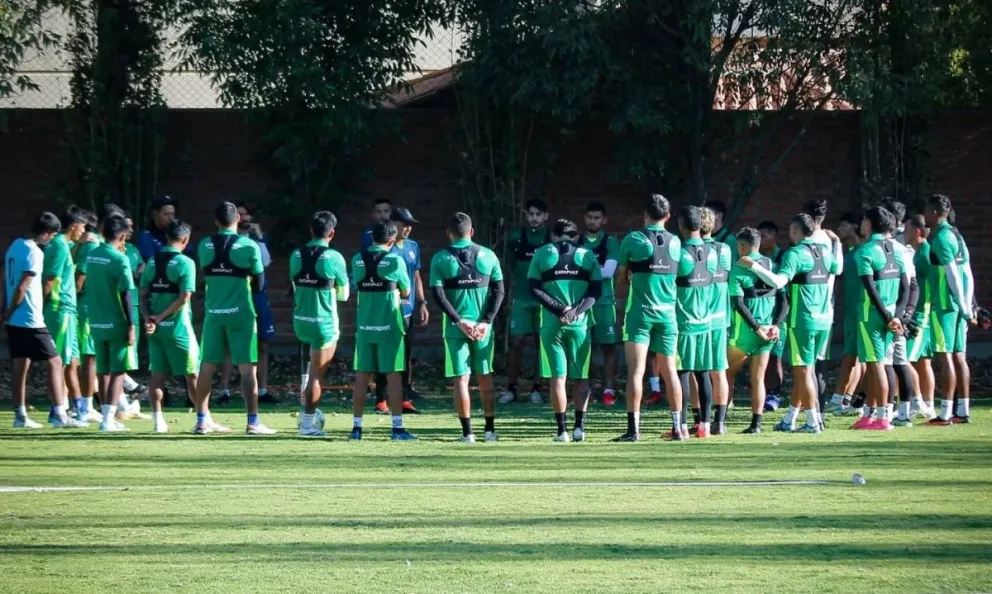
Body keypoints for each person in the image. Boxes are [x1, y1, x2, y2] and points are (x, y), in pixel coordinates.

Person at [741, 212, 842, 434]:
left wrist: (754, 267)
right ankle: (790, 418)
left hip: (803, 321)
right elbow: (839, 269)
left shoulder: (794, 254)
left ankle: (814, 422)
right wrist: (837, 244)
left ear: (796, 231)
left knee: (804, 371)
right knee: (805, 370)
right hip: (825, 319)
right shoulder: (824, 251)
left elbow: (777, 281)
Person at [193, 201, 274, 435]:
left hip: (214, 314)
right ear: (237, 219)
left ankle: (201, 420)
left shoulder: (205, 244)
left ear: (216, 221)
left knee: (207, 366)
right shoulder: (249, 246)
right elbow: (260, 284)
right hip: (241, 314)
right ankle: (252, 422)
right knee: (248, 369)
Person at [430, 213, 505, 442]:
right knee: (485, 377)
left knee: (461, 380)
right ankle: (490, 431)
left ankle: (467, 434)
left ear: (449, 234)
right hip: (483, 329)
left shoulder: (441, 258)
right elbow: (499, 291)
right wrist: (486, 321)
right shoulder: (489, 255)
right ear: (471, 232)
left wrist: (459, 321)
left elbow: (438, 294)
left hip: (455, 329)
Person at [614, 194, 683, 442]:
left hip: (640, 314)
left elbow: (621, 278)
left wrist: (634, 277)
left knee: (636, 372)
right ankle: (678, 428)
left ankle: (634, 431)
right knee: (671, 372)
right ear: (668, 217)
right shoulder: (676, 242)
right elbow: (680, 276)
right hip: (668, 315)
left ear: (645, 215)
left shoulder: (634, 239)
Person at [528, 219, 602, 442]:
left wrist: (560, 309)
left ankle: (561, 431)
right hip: (579, 325)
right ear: (576, 236)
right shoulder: (587, 255)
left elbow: (533, 288)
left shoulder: (542, 253)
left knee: (557, 379)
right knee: (581, 377)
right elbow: (595, 291)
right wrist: (574, 312)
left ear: (553, 236)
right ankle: (579, 428)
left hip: (552, 324)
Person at [3, 212, 75, 429]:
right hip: (30, 318)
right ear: (45, 233)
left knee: (20, 364)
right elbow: (23, 285)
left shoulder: (15, 245)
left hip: (15, 319)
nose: (51, 240)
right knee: (54, 361)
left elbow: (7, 278)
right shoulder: (35, 252)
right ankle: (60, 414)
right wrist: (12, 308)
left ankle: (20, 415)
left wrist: (6, 309)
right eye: (51, 236)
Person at [350, 220, 416, 441]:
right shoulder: (395, 261)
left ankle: (356, 429)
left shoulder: (357, 260)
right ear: (391, 240)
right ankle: (397, 429)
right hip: (390, 327)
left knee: (361, 376)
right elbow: (406, 292)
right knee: (394, 376)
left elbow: (356, 285)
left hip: (365, 326)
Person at [848, 206, 910, 431]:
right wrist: (898, 317)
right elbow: (906, 287)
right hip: (893, 315)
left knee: (876, 367)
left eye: (864, 220)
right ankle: (871, 415)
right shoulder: (898, 250)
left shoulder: (865, 251)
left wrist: (886, 316)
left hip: (871, 316)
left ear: (869, 223)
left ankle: (884, 417)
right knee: (880, 365)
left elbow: (870, 289)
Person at [290, 211, 349, 437]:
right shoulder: (334, 257)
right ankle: (307, 424)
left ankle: (310, 412)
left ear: (310, 230)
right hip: (323, 323)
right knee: (317, 375)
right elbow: (343, 295)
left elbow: (296, 285)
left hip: (300, 321)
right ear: (332, 233)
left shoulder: (296, 254)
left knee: (311, 371)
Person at [139, 220, 199, 433]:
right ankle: (202, 419)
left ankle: (158, 422)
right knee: (192, 374)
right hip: (177, 328)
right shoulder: (185, 263)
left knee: (157, 374)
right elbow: (184, 297)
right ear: (185, 239)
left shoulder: (152, 262)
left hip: (155, 330)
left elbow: (143, 294)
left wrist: (149, 318)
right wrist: (161, 317)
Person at [727, 227, 788, 434]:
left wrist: (755, 327)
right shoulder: (772, 265)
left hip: (746, 332)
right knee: (758, 378)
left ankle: (719, 420)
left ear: (742, 246)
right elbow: (784, 301)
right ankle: (756, 424)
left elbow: (739, 304)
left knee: (726, 374)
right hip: (769, 332)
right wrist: (776, 325)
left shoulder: (738, 267)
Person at [82, 215, 139, 432]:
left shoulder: (92, 254)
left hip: (96, 321)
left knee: (102, 370)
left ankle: (107, 418)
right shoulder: (119, 259)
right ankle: (107, 420)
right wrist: (132, 325)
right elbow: (126, 294)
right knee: (117, 371)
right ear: (123, 235)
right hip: (116, 321)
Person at [217, 202, 276, 405]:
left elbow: (266, 261)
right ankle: (224, 390)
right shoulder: (227, 241)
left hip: (258, 296)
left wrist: (258, 236)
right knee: (229, 345)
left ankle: (262, 389)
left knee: (262, 343)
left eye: (246, 215)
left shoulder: (256, 240)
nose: (243, 220)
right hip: (236, 295)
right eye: (239, 216)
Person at [924, 194, 974, 425]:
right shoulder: (956, 234)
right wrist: (969, 303)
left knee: (944, 358)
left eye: (926, 210)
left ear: (934, 213)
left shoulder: (942, 238)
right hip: (960, 305)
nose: (924, 215)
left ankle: (945, 414)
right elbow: (968, 271)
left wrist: (963, 306)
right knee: (959, 357)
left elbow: (952, 273)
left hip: (945, 305)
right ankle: (962, 410)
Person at [75, 204, 126, 423]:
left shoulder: (91, 247)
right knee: (91, 359)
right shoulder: (93, 246)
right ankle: (86, 406)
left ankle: (101, 408)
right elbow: (80, 277)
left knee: (96, 360)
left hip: (92, 310)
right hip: (90, 310)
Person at [373, 207, 425, 414]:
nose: (408, 228)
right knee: (385, 355)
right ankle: (381, 399)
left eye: (411, 224)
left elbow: (416, 275)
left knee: (406, 355)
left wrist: (422, 302)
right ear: (394, 225)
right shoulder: (386, 248)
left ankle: (404, 398)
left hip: (409, 309)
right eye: (404, 224)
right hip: (389, 310)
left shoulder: (413, 246)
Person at [500, 198, 552, 405]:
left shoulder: (550, 238)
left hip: (544, 298)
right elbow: (511, 265)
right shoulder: (516, 237)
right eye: (530, 214)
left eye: (538, 214)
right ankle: (512, 389)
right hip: (522, 297)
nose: (534, 218)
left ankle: (537, 389)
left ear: (546, 216)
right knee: (517, 342)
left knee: (542, 342)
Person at [674, 206, 718, 439]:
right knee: (703, 374)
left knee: (681, 373)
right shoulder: (712, 253)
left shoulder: (679, 254)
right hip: (706, 322)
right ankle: (705, 426)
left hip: (684, 323)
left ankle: (680, 426)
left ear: (681, 225)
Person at [880, 200, 925, 427]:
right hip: (898, 312)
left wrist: (903, 314)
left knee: (890, 362)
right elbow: (912, 285)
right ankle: (903, 412)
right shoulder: (899, 247)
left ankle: (890, 412)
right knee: (899, 362)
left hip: (891, 313)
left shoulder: (896, 248)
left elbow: (910, 285)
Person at [42, 207, 89, 425]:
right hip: (60, 310)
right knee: (58, 362)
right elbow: (50, 280)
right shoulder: (59, 247)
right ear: (73, 226)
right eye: (83, 226)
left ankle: (67, 409)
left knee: (66, 361)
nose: (84, 231)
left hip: (65, 311)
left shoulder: (63, 245)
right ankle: (58, 412)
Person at [801, 199, 842, 416]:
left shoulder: (805, 242)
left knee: (805, 365)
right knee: (819, 364)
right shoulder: (829, 240)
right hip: (828, 307)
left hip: (807, 308)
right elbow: (838, 269)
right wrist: (838, 245)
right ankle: (819, 411)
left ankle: (812, 413)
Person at [578, 201, 620, 406]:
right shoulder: (577, 240)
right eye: (589, 217)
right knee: (584, 346)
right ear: (585, 218)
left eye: (597, 217)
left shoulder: (610, 241)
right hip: (582, 302)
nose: (592, 221)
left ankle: (609, 388)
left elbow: (608, 272)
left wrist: (583, 270)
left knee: (609, 347)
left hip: (605, 302)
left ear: (604, 220)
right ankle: (588, 387)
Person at [826, 212, 867, 416]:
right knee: (854, 357)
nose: (840, 230)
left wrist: (834, 243)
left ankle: (845, 399)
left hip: (861, 314)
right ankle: (846, 399)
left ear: (854, 227)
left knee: (856, 357)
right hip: (852, 312)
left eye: (843, 225)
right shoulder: (851, 252)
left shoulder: (861, 253)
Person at [899, 214, 938, 422]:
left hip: (919, 314)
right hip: (922, 313)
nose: (903, 233)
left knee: (904, 359)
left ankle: (918, 402)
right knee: (924, 362)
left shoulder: (923, 255)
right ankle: (929, 405)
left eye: (906, 229)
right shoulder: (919, 252)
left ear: (916, 232)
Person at [700, 207, 733, 434]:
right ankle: (719, 423)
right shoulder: (726, 249)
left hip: (699, 317)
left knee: (697, 371)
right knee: (719, 370)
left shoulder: (693, 250)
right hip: (721, 316)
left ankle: (699, 420)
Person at [757, 220, 787, 411]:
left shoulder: (783, 257)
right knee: (762, 358)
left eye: (765, 235)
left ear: (774, 236)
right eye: (759, 236)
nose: (761, 240)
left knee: (776, 357)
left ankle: (775, 393)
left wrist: (779, 319)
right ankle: (765, 392)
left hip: (778, 315)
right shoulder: (756, 259)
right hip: (760, 314)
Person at [136, 194, 195, 260]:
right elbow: (150, 262)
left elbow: (190, 253)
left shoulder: (178, 232)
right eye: (166, 214)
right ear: (155, 213)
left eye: (173, 214)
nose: (171, 218)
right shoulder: (146, 235)